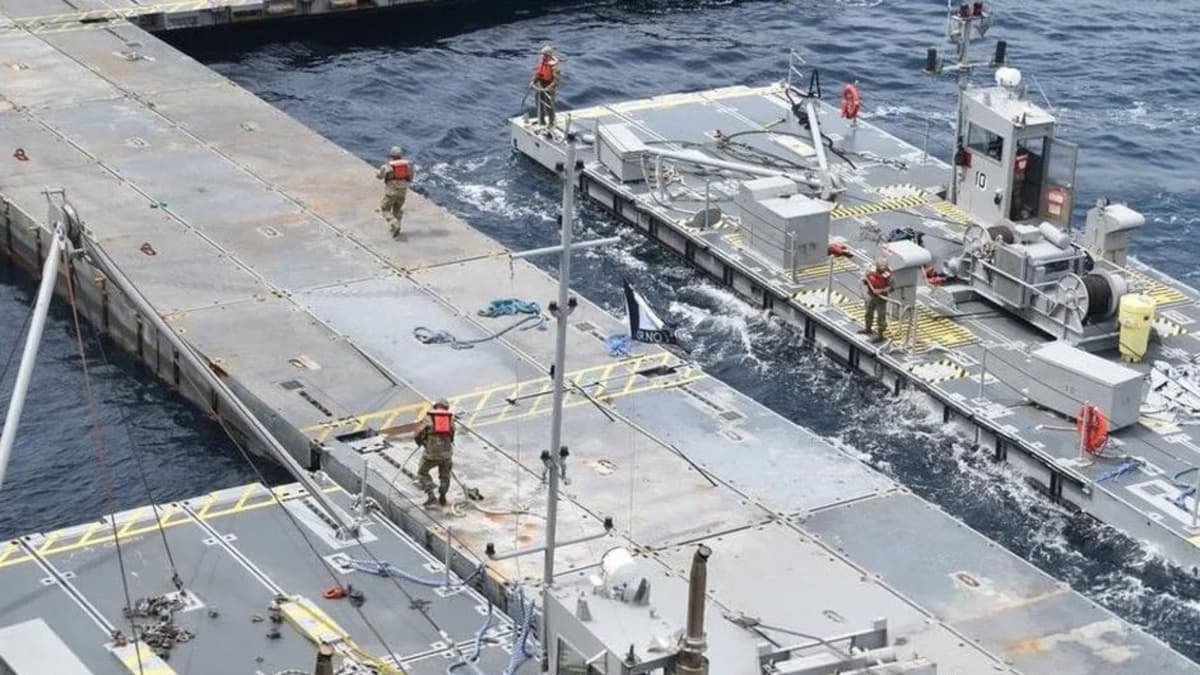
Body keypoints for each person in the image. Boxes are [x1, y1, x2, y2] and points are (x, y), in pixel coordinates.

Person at [414, 399, 454, 507]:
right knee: (445, 476)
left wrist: (421, 443)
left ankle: (431, 495)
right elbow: (452, 435)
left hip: (430, 455)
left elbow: (417, 434)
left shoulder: (428, 418)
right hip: (446, 455)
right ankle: (443, 497)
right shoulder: (450, 419)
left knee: (422, 473)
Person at [377, 145, 411, 238]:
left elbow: (380, 176)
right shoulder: (407, 166)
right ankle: (397, 227)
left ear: (391, 155)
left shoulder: (387, 166)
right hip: (402, 192)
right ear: (401, 155)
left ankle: (394, 223)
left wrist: (378, 173)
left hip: (391, 192)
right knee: (397, 209)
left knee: (385, 209)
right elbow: (410, 177)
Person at [859, 257, 893, 343]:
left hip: (881, 299)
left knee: (881, 317)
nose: (883, 267)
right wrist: (865, 281)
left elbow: (891, 288)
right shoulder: (872, 271)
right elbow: (868, 279)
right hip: (871, 295)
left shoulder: (888, 275)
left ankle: (880, 335)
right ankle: (868, 328)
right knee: (868, 312)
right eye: (881, 266)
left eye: (884, 266)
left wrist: (880, 291)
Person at [531, 45, 561, 128]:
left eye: (544, 55)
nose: (542, 56)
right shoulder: (542, 63)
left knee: (549, 105)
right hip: (540, 85)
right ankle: (541, 120)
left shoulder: (554, 67)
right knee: (539, 103)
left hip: (549, 87)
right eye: (542, 54)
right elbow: (538, 74)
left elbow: (556, 81)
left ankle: (551, 122)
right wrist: (533, 81)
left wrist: (548, 88)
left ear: (549, 55)